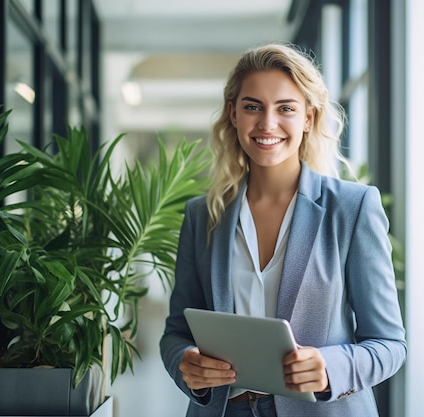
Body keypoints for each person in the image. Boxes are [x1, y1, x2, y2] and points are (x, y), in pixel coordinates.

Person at [159, 42, 406, 417]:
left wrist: (330, 368)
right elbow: (176, 332)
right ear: (234, 114)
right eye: (252, 106)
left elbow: (390, 344)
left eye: (285, 108)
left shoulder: (352, 208)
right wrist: (186, 362)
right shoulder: (203, 214)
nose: (267, 124)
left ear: (308, 117)